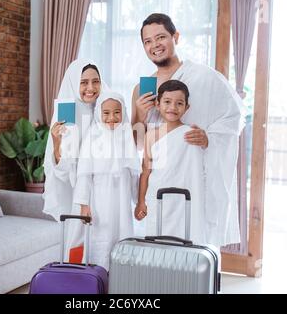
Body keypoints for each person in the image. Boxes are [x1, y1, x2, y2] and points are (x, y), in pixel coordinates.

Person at [131, 13, 245, 247]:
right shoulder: (141, 89)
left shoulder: (205, 78)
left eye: (161, 37)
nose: (155, 45)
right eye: (148, 41)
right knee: (160, 251)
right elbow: (137, 145)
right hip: (159, 185)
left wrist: (208, 139)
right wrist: (140, 114)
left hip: (194, 183)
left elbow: (234, 118)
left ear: (176, 36)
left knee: (194, 250)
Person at [66, 92, 141, 269]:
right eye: (106, 113)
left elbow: (133, 173)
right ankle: (98, 275)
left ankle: (121, 276)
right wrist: (84, 205)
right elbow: (84, 175)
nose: (111, 117)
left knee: (121, 233)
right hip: (99, 197)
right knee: (101, 234)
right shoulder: (92, 136)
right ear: (99, 114)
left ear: (123, 112)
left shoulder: (126, 136)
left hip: (121, 198)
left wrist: (138, 201)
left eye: (117, 112)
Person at [134, 80, 209, 244]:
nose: (172, 107)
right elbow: (145, 172)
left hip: (184, 201)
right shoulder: (151, 135)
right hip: (157, 198)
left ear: (186, 107)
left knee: (182, 243)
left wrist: (205, 142)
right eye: (167, 102)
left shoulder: (191, 133)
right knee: (157, 243)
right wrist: (141, 202)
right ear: (157, 104)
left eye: (179, 103)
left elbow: (206, 158)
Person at [43, 59, 109, 222]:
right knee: (79, 243)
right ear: (73, 83)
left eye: (96, 82)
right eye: (83, 82)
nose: (91, 88)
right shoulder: (66, 116)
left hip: (106, 190)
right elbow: (62, 171)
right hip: (77, 194)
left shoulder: (108, 110)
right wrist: (57, 143)